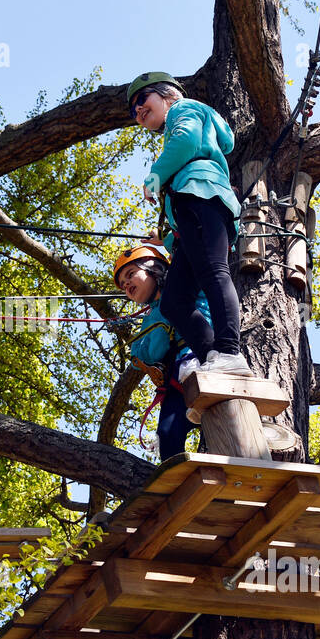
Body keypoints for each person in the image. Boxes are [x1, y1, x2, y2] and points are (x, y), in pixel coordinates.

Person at [127, 71, 253, 379]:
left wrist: (155, 176)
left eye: (143, 99)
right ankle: (212, 356)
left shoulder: (183, 110)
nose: (139, 111)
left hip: (201, 195)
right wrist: (164, 244)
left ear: (168, 94)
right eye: (134, 112)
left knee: (213, 272)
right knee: (174, 302)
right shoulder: (182, 118)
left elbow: (186, 140)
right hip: (192, 213)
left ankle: (229, 353)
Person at [114, 243, 209, 459]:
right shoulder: (151, 317)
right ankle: (178, 485)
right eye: (122, 284)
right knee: (167, 435)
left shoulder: (182, 281)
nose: (126, 283)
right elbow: (145, 354)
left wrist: (166, 239)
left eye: (130, 274)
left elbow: (188, 246)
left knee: (215, 418)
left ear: (153, 267)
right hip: (177, 379)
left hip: (204, 358)